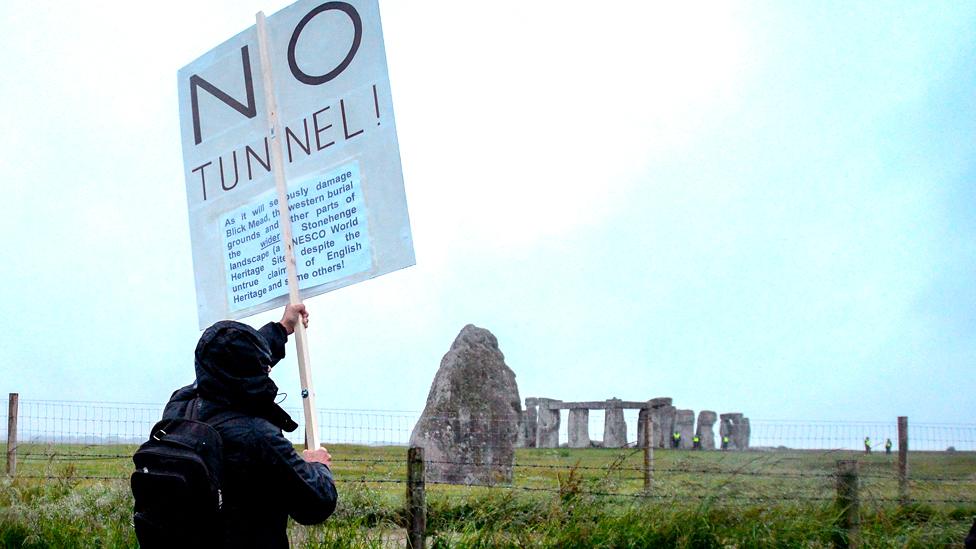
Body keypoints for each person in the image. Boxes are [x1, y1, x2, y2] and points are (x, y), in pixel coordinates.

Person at [155, 304, 337, 548]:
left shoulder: (179, 407)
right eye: (262, 366)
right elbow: (316, 504)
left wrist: (282, 328)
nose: (267, 369)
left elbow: (222, 365)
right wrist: (317, 466)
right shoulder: (256, 436)